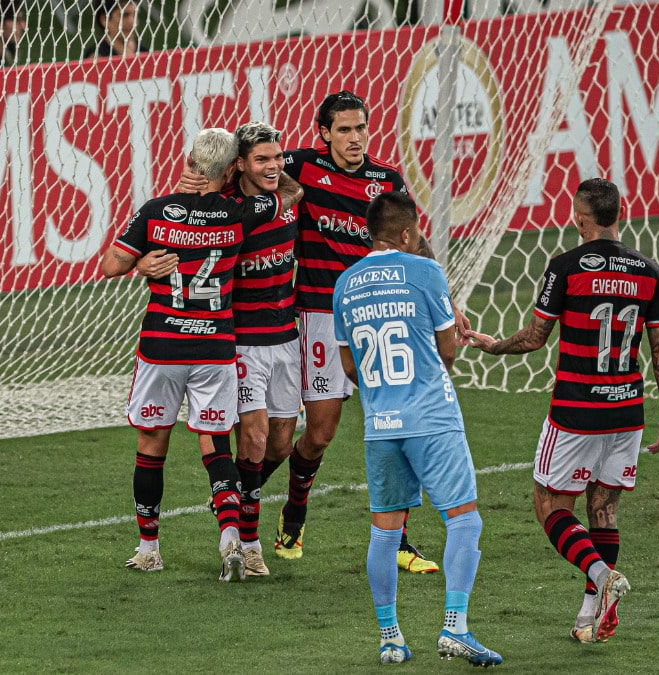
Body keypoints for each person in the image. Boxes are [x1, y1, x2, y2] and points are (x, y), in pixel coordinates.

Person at [177, 91, 447, 573]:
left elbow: (413, 238)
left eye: (361, 127)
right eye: (344, 129)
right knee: (316, 436)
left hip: (381, 315)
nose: (355, 137)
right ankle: (282, 509)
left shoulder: (386, 181)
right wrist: (201, 181)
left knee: (398, 419)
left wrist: (445, 296)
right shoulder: (297, 167)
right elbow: (246, 168)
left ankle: (402, 539)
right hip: (317, 315)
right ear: (324, 133)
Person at [464, 178, 659, 644]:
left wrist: (493, 345)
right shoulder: (648, 270)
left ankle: (601, 578)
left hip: (576, 412)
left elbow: (536, 337)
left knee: (549, 507)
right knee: (604, 509)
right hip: (627, 412)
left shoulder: (564, 267)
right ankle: (589, 617)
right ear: (619, 214)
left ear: (580, 218)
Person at [100, 127, 303, 581]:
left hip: (162, 347)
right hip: (214, 346)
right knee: (217, 449)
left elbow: (111, 264)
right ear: (233, 168)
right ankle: (231, 536)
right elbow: (291, 193)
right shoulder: (240, 214)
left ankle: (149, 547)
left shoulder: (155, 211)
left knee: (151, 447)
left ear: (191, 164)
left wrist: (142, 263)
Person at [334, 192, 501, 666]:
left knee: (385, 533)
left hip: (380, 423)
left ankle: (390, 638)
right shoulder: (425, 271)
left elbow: (350, 366)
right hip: (431, 416)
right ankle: (456, 628)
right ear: (407, 234)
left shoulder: (344, 283)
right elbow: (448, 352)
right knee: (464, 518)